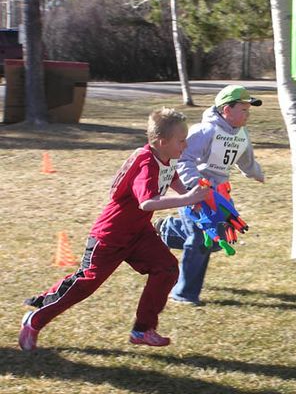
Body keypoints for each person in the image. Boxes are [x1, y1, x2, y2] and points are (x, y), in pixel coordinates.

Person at [19, 108, 211, 351]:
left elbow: (171, 177)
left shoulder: (163, 156)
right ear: (162, 141)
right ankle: (35, 321)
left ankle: (142, 330)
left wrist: (191, 195)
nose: (185, 144)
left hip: (139, 233)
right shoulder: (145, 162)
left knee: (167, 268)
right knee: (85, 284)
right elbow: (147, 202)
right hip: (111, 235)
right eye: (181, 140)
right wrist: (187, 199)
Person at [156, 85, 264, 305]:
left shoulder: (241, 133)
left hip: (220, 194)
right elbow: (182, 159)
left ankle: (166, 230)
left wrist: (256, 173)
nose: (247, 114)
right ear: (226, 110)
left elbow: (246, 160)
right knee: (200, 240)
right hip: (195, 193)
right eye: (243, 109)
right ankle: (184, 293)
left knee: (218, 240)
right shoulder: (205, 131)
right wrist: (195, 186)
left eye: (248, 109)